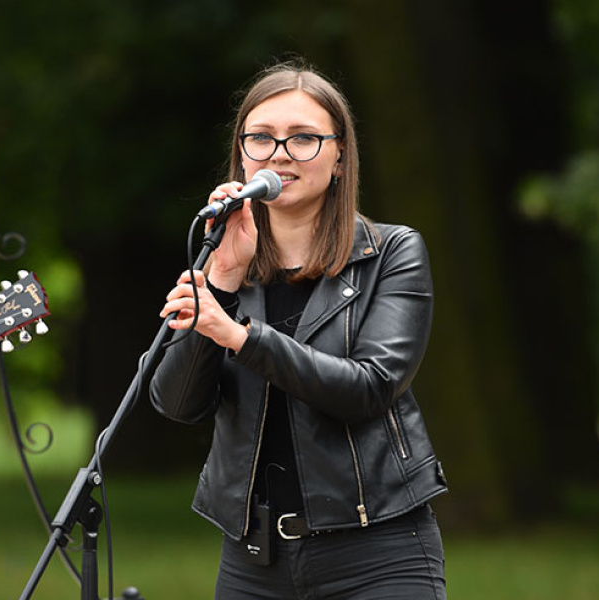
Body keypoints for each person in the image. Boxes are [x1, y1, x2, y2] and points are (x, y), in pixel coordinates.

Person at [151, 61, 448, 599]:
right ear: (243, 156)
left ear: (338, 157)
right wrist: (219, 279)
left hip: (378, 552)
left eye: (304, 138)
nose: (281, 152)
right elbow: (176, 403)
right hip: (253, 563)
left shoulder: (391, 254)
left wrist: (240, 336)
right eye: (261, 138)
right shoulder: (223, 260)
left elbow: (369, 387)